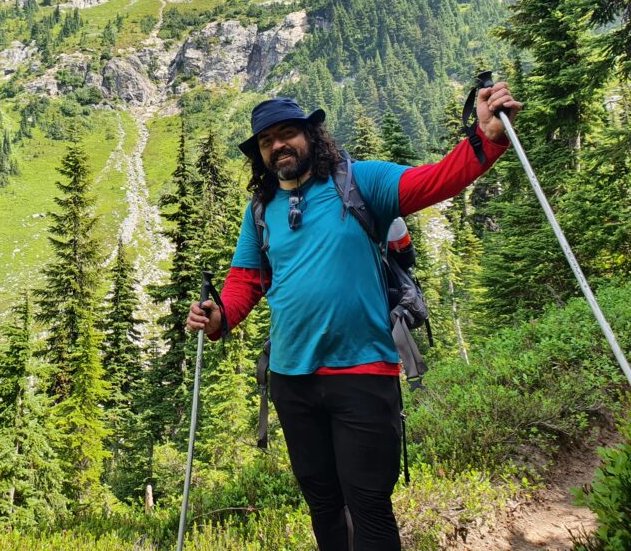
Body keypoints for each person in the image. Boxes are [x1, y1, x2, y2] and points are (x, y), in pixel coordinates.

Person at [186, 83, 521, 551]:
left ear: (312, 135)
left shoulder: (362, 182)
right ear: (259, 153)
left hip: (363, 373)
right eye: (267, 141)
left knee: (368, 507)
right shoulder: (261, 210)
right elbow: (248, 279)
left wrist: (487, 137)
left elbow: (437, 179)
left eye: (288, 133)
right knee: (323, 505)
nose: (279, 145)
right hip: (291, 379)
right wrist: (219, 316)